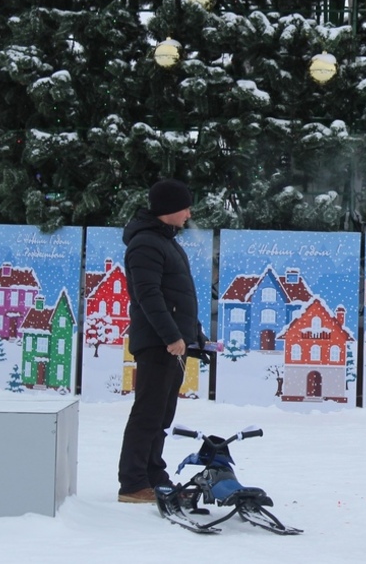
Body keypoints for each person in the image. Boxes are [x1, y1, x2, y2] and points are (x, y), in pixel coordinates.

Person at [117, 178, 210, 503]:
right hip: (158, 343)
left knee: (162, 415)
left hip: (172, 343)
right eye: (184, 206)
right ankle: (132, 482)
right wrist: (171, 336)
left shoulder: (166, 242)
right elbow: (148, 295)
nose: (188, 213)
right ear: (168, 209)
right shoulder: (145, 244)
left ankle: (154, 474)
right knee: (148, 412)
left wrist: (194, 336)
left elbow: (178, 296)